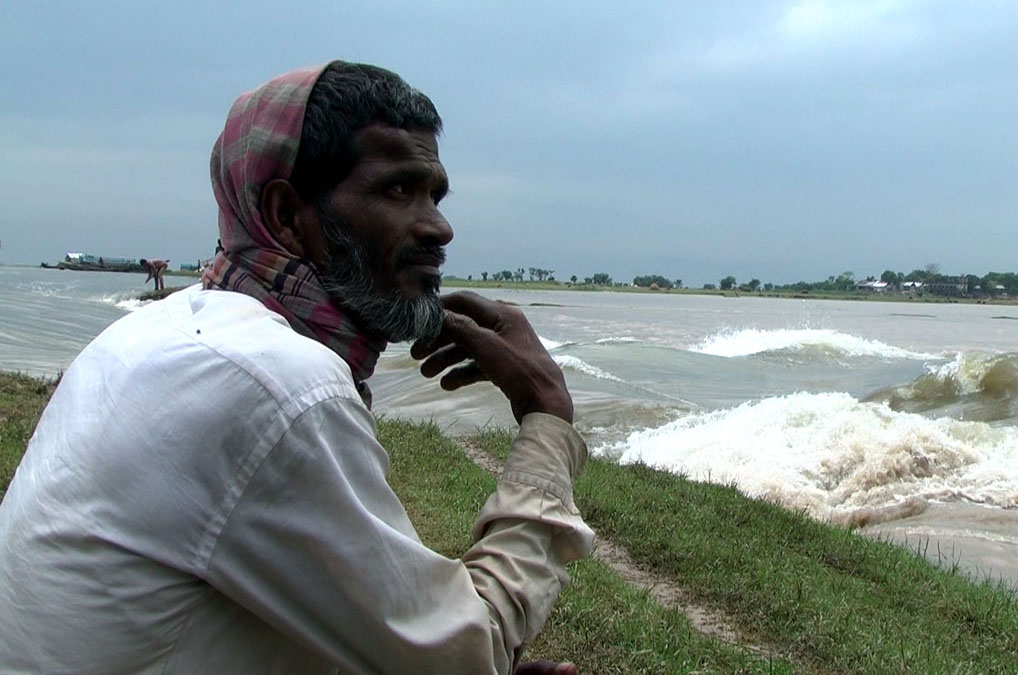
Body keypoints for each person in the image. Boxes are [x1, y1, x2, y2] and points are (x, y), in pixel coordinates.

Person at [0, 61, 593, 674]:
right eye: (397, 189)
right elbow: (472, 653)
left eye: (435, 195)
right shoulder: (280, 387)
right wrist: (547, 410)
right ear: (285, 214)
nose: (439, 227)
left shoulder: (146, 333)